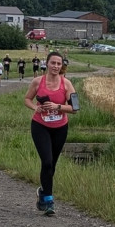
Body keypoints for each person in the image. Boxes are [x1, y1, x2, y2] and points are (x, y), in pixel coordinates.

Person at [24, 51, 78, 217]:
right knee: (46, 162)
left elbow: (75, 108)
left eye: (58, 64)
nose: (55, 66)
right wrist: (35, 107)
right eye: (53, 63)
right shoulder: (37, 82)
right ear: (46, 64)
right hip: (40, 126)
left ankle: (42, 192)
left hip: (60, 127)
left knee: (52, 164)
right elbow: (27, 99)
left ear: (62, 66)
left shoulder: (67, 84)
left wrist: (58, 107)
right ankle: (49, 200)